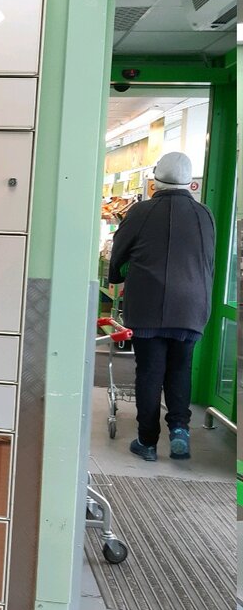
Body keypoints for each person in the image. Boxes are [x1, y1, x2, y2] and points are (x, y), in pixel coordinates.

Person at [108, 151, 215, 462]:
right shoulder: (204, 214)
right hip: (191, 308)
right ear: (189, 182)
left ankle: (147, 442)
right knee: (180, 369)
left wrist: (117, 275)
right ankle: (180, 430)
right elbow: (208, 260)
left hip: (148, 307)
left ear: (156, 181)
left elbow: (119, 252)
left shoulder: (141, 212)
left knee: (150, 372)